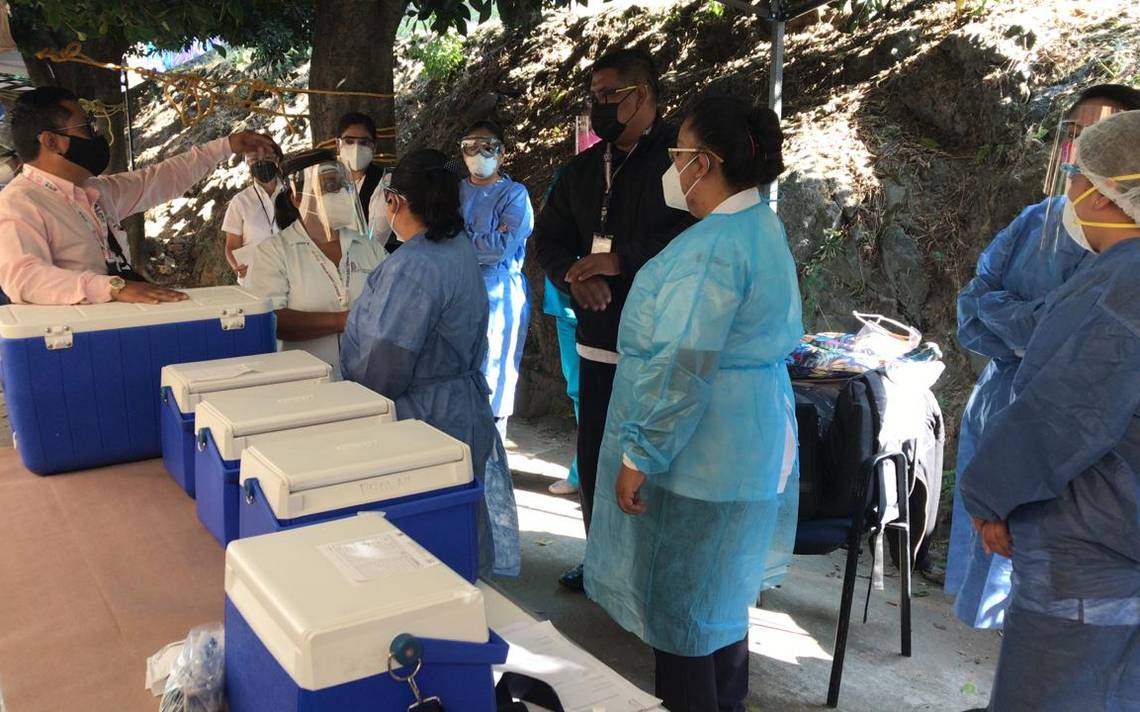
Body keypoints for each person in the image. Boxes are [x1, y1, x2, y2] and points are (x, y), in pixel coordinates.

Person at [584, 95, 801, 711]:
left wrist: (639, 454)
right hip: (750, 442)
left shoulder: (712, 248)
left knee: (682, 622)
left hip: (702, 454)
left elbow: (683, 364)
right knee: (722, 610)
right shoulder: (761, 224)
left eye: (677, 153)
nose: (670, 167)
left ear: (702, 164)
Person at [959, 109, 1140, 710]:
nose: (1068, 185)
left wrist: (990, 497)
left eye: (1075, 172)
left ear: (1104, 190)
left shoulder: (1121, 285)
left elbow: (1062, 416)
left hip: (1093, 545)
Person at [534, 48, 694, 591]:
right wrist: (573, 276)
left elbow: (690, 239)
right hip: (595, 347)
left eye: (609, 96)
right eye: (594, 96)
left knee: (649, 469)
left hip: (656, 351)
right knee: (597, 459)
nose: (599, 106)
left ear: (642, 94)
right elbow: (549, 241)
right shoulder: (582, 167)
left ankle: (649, 578)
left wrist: (620, 258)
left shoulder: (681, 164)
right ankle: (601, 564)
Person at [341, 148, 520, 577]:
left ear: (395, 201)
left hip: (424, 420)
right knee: (457, 529)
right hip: (461, 409)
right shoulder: (456, 247)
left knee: (423, 549)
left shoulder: (414, 267)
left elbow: (383, 366)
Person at [0, 86, 276, 305]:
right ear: (51, 141)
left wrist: (226, 146)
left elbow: (158, 179)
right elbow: (24, 278)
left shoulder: (94, 191)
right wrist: (114, 288)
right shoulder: (20, 203)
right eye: (87, 128)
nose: (97, 134)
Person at [245, 150, 385, 379]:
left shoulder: (368, 247)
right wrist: (343, 321)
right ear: (297, 198)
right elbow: (271, 320)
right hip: (305, 386)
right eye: (328, 187)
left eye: (341, 186)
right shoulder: (274, 252)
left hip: (369, 383)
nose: (338, 193)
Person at [457, 120, 535, 443]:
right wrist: (479, 239)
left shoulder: (515, 195)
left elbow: (498, 249)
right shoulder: (456, 191)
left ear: (501, 154)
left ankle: (494, 461)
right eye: (470, 147)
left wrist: (461, 238)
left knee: (496, 377)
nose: (479, 154)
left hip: (500, 295)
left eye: (487, 147)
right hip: (460, 292)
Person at [222, 149, 283, 285]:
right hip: (254, 282)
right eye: (254, 159)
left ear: (277, 159)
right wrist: (237, 267)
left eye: (267, 157)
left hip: (292, 279)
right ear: (248, 164)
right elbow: (232, 246)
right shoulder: (240, 201)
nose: (261, 163)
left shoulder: (292, 193)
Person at [335, 111, 390, 240]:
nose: (356, 149)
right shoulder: (327, 183)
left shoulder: (384, 183)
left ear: (374, 146)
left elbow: (376, 239)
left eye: (364, 142)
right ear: (337, 144)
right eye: (349, 141)